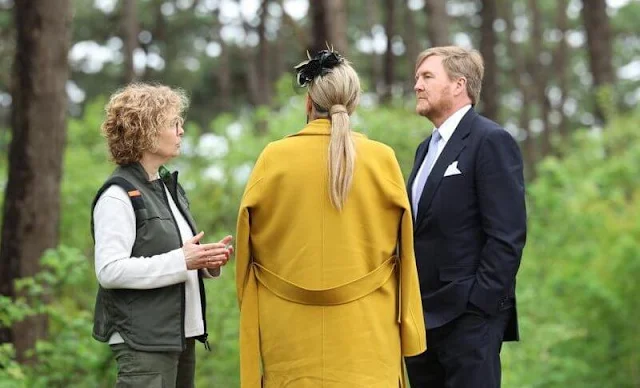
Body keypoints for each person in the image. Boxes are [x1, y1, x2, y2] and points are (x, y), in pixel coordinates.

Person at [235, 50, 426, 388]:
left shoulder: (273, 159)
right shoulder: (382, 159)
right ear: (353, 103)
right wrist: (410, 328)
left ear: (309, 103)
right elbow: (407, 252)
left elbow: (246, 258)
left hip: (289, 336)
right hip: (368, 335)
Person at [90, 83, 233, 387]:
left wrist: (205, 261)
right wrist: (182, 259)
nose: (181, 131)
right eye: (173, 123)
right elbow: (109, 271)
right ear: (146, 131)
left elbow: (172, 256)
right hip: (144, 341)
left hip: (179, 335)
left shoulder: (168, 188)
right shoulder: (118, 195)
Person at [404, 45, 527, 388]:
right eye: (417, 77)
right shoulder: (424, 150)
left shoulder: (491, 140)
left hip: (469, 322)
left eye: (427, 76)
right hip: (422, 322)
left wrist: (479, 307)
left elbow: (508, 235)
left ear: (459, 85)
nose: (417, 85)